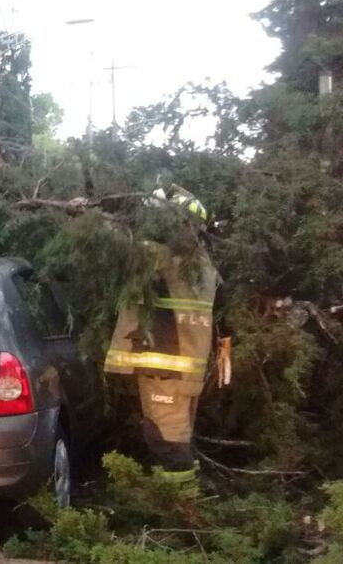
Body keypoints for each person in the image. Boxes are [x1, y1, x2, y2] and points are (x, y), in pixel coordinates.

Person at [103, 184, 220, 494]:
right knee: (177, 436)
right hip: (182, 369)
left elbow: (118, 248)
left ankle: (180, 513)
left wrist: (91, 217)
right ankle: (184, 503)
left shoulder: (165, 259)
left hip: (165, 370)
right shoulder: (200, 264)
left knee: (166, 441)